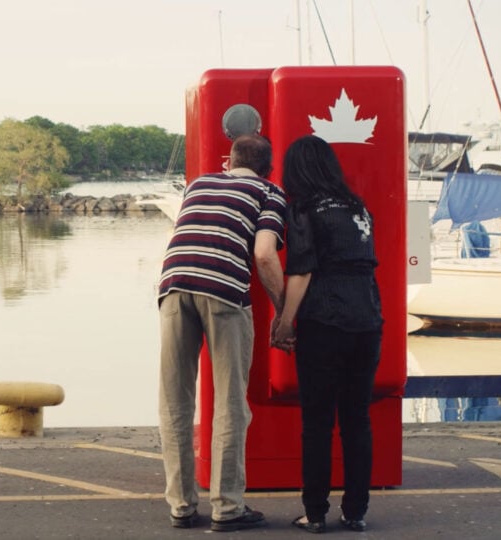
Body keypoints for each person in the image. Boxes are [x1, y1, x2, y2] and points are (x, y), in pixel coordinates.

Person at [157, 133, 287, 532]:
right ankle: (227, 507)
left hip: (174, 284)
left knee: (175, 399)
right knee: (230, 402)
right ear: (268, 166)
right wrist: (284, 310)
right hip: (224, 292)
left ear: (229, 161)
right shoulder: (269, 192)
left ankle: (181, 505)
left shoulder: (198, 183)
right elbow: (264, 254)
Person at [271, 135, 383, 534]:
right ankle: (356, 512)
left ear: (296, 171)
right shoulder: (358, 207)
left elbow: (301, 271)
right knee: (357, 419)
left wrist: (284, 322)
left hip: (325, 320)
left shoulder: (304, 208)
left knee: (317, 421)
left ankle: (315, 513)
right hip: (368, 319)